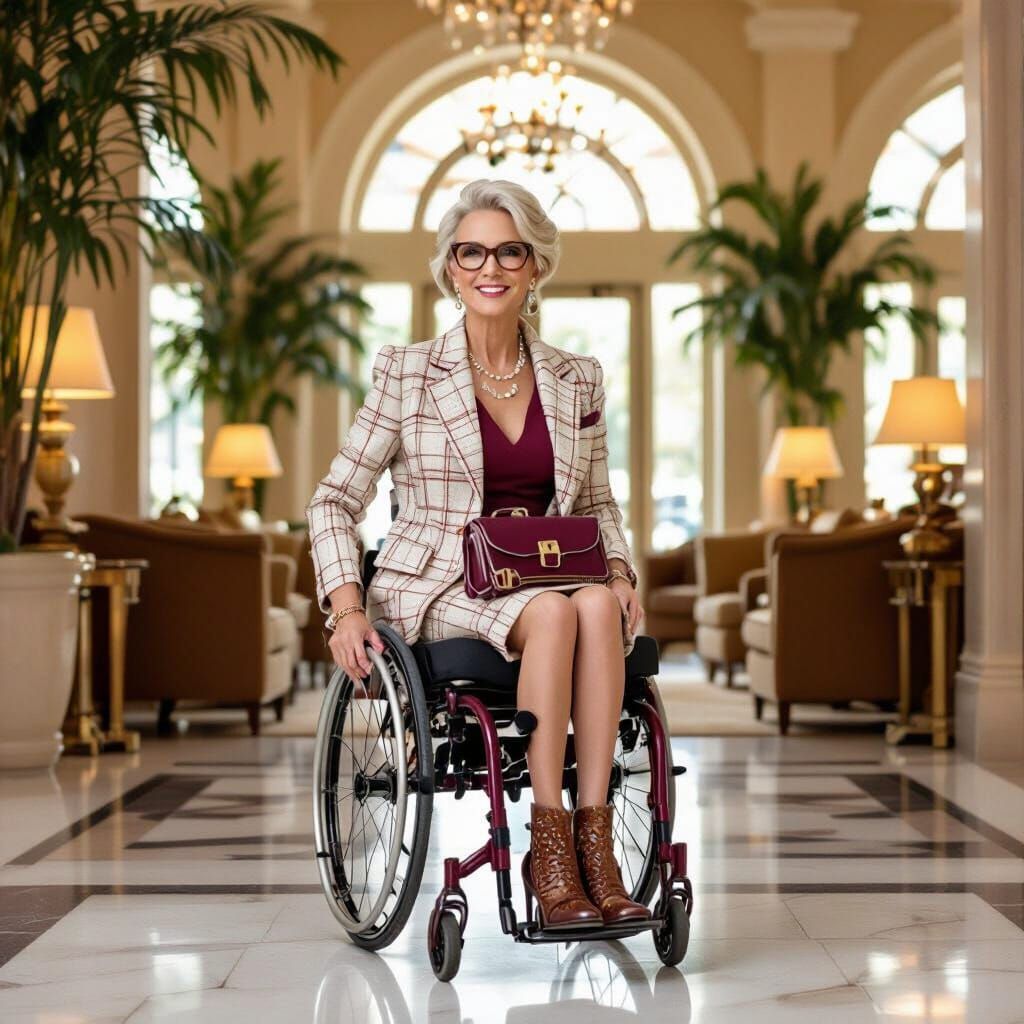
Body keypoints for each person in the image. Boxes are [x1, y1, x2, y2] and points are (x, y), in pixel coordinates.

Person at [306, 178, 649, 931]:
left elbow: (597, 504)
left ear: (535, 267)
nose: (489, 266)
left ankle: (596, 844)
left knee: (590, 601)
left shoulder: (574, 378)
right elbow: (333, 500)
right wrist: (346, 606)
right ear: (451, 268)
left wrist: (621, 574)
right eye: (472, 251)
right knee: (558, 615)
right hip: (438, 581)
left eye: (509, 251)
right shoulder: (407, 373)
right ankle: (549, 846)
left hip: (549, 572)